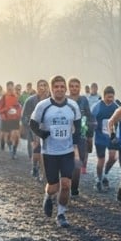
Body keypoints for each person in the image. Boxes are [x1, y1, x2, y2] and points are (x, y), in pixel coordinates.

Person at [29, 75, 81, 228]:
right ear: (51, 89)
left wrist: (76, 147)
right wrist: (43, 135)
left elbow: (77, 129)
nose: (59, 89)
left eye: (62, 87)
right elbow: (32, 124)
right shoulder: (43, 106)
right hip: (50, 152)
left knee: (65, 185)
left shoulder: (73, 106)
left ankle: (61, 213)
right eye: (56, 87)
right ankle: (48, 195)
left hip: (67, 151)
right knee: (53, 186)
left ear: (65, 89)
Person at [90, 85, 121, 191]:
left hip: (112, 136)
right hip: (100, 137)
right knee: (101, 160)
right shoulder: (97, 106)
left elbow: (120, 121)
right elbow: (90, 119)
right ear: (103, 96)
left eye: (112, 97)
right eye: (108, 97)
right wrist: (91, 127)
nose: (110, 99)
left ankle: (105, 175)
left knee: (113, 157)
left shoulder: (116, 107)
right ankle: (98, 180)